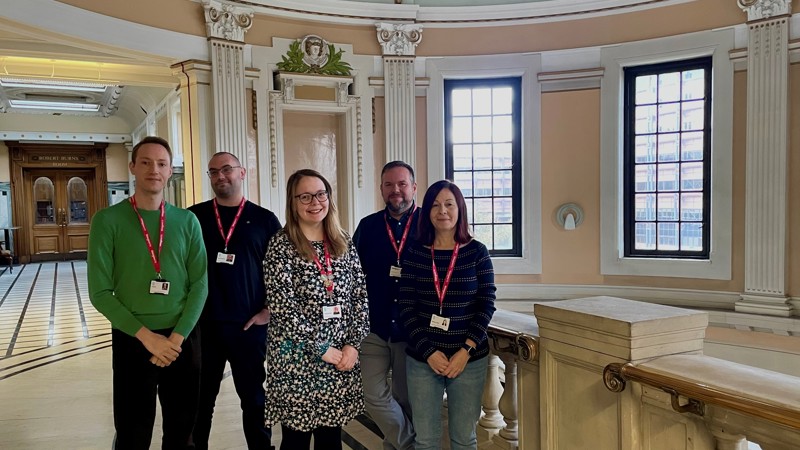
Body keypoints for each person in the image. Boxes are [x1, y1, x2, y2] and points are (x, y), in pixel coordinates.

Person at [87, 136, 208, 449]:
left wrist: (176, 338)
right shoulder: (107, 221)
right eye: (145, 162)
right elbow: (100, 292)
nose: (154, 169)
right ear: (132, 167)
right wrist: (147, 336)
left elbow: (200, 284)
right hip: (133, 338)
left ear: (170, 172)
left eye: (162, 163)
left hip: (183, 339)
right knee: (132, 432)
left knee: (182, 431)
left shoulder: (187, 221)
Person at [263, 169, 370, 450]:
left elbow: (360, 296)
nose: (315, 202)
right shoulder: (281, 245)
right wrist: (320, 347)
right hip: (296, 360)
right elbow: (283, 306)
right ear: (293, 202)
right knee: (296, 441)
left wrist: (353, 345)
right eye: (305, 196)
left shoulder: (343, 241)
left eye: (321, 194)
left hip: (339, 358)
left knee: (330, 439)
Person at [188, 152, 282, 450]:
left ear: (242, 173)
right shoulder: (194, 217)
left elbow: (281, 270)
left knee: (254, 400)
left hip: (249, 327)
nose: (220, 176)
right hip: (205, 327)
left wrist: (269, 310)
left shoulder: (265, 220)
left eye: (227, 169)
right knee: (201, 402)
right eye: (213, 171)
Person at [398, 180, 496, 450]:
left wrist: (465, 350)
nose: (443, 210)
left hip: (468, 360)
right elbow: (406, 306)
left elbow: (486, 304)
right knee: (426, 440)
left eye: (449, 204)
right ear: (427, 211)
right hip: (422, 359)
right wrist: (429, 351)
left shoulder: (477, 252)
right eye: (435, 205)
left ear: (460, 209)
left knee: (464, 439)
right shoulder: (415, 253)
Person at [353, 161, 418, 450]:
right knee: (372, 395)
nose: (396, 190)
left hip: (413, 331)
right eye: (389, 184)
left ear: (414, 187)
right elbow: (352, 277)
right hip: (374, 328)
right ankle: (409, 445)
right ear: (381, 189)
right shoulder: (367, 227)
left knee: (406, 400)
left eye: (402, 184)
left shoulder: (429, 227)